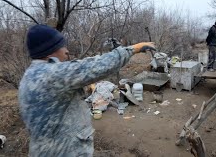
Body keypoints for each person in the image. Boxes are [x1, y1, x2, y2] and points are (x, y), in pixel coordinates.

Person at [18, 24, 155, 156]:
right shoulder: (51, 74)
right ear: (49, 50)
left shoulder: (29, 75)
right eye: (61, 46)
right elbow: (95, 67)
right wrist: (132, 49)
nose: (66, 50)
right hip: (64, 151)